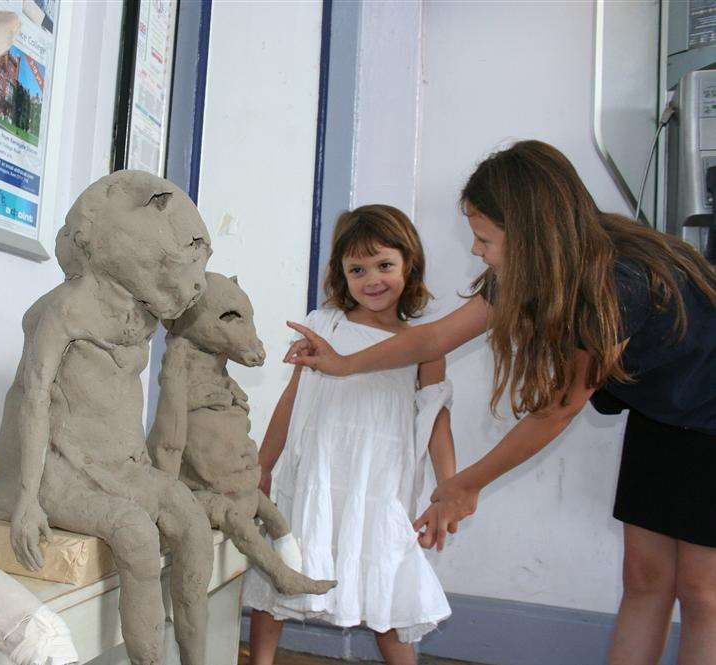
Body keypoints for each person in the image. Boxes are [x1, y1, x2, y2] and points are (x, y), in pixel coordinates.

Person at [285, 140, 716, 665]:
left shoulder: (618, 283)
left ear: (530, 233)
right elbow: (434, 339)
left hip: (712, 419)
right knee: (645, 577)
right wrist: (345, 363)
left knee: (701, 592)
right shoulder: (528, 271)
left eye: (484, 236)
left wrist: (466, 485)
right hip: (663, 413)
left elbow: (559, 407)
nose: (475, 249)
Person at [244, 205, 456, 665]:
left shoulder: (423, 343)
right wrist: (263, 463)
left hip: (379, 485)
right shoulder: (326, 325)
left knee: (389, 588)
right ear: (341, 273)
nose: (371, 279)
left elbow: (437, 417)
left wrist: (448, 487)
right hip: (316, 474)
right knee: (284, 569)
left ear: (409, 264)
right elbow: (293, 399)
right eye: (357, 269)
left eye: (384, 265)